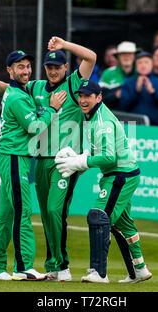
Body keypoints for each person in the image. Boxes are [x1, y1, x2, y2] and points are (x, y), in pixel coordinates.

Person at [0, 37, 97, 282]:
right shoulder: (36, 87)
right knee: (26, 212)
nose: (53, 71)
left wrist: (65, 46)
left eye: (58, 67)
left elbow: (91, 57)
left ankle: (60, 265)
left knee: (52, 210)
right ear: (44, 69)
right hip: (38, 159)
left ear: (65, 68)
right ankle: (39, 266)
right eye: (49, 67)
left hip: (64, 162)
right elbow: (9, 89)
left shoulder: (73, 85)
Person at [54, 80, 152, 284]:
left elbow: (109, 157)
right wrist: (79, 158)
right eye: (80, 96)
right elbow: (100, 150)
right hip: (121, 173)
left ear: (98, 97)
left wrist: (79, 162)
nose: (82, 100)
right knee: (121, 224)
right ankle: (139, 270)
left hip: (120, 175)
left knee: (99, 216)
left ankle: (99, 272)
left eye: (87, 96)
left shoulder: (101, 122)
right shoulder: (92, 116)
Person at [0, 50, 67, 281]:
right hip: (13, 156)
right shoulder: (18, 97)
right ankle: (22, 267)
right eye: (20, 67)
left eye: (28, 66)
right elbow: (35, 128)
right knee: (23, 211)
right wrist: (52, 108)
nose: (26, 71)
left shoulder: (20, 91)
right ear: (10, 70)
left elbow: (4, 89)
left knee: (5, 216)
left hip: (13, 156)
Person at [119, 51, 158, 126]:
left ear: (152, 65)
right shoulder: (128, 83)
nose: (143, 65)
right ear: (136, 66)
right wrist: (136, 91)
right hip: (132, 126)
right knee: (130, 137)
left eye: (146, 62)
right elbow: (123, 106)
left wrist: (153, 92)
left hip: (156, 126)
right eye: (140, 63)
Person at [99, 41, 138, 109]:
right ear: (118, 57)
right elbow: (98, 98)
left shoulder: (140, 73)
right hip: (114, 115)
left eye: (129, 54)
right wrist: (115, 95)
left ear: (134, 56)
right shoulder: (108, 72)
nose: (126, 57)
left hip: (137, 116)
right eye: (123, 54)